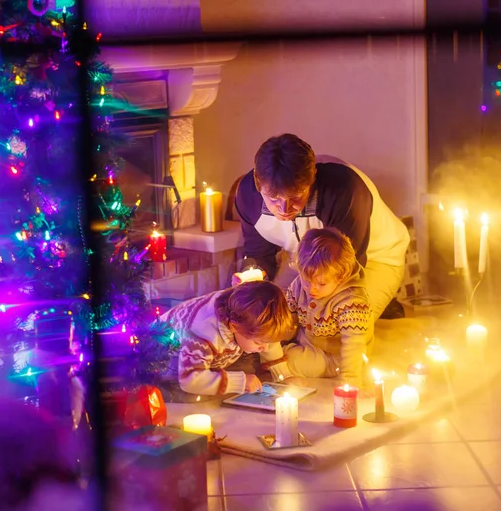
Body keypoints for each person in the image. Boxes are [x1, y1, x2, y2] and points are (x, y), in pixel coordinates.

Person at [233, 133, 409, 320]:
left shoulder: (344, 190)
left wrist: (312, 312)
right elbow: (260, 254)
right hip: (303, 259)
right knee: (273, 319)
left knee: (332, 328)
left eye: (296, 197)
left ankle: (380, 293)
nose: (284, 209)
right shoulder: (247, 195)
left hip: (371, 259)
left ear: (313, 177)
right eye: (274, 199)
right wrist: (251, 276)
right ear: (257, 181)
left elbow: (346, 267)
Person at [158, 281, 295, 396]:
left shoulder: (246, 314)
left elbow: (267, 339)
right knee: (193, 395)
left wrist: (283, 376)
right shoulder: (203, 332)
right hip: (166, 361)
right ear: (234, 327)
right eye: (258, 342)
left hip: (216, 352)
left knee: (251, 370)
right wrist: (240, 382)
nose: (265, 347)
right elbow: (189, 380)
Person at [285, 228, 373, 387]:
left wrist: (350, 380)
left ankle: (280, 364)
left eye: (322, 284)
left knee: (291, 360)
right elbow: (287, 315)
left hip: (334, 357)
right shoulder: (299, 285)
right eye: (307, 281)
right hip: (306, 343)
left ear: (341, 277)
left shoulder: (352, 302)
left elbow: (353, 344)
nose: (312, 289)